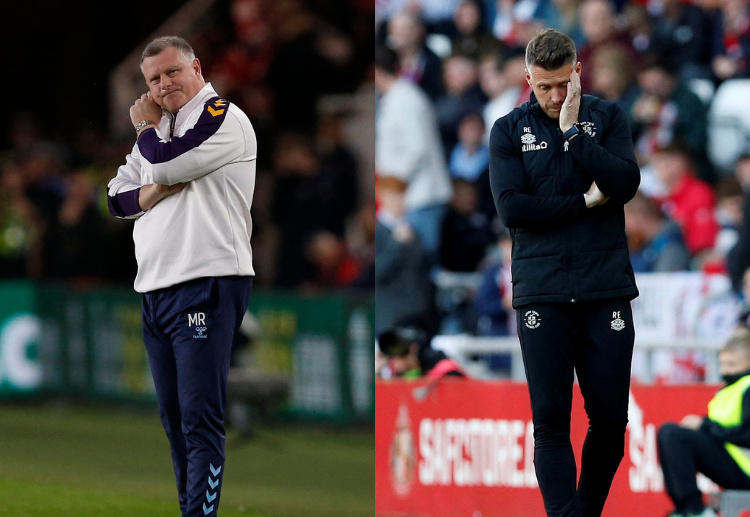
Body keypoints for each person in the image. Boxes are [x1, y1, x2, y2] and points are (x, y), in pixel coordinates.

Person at [489, 28, 640, 516]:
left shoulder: (607, 117)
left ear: (578, 72)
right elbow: (513, 209)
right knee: (551, 423)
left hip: (605, 287)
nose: (555, 97)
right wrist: (583, 201)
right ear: (527, 78)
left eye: (563, 85)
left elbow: (625, 183)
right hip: (543, 292)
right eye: (544, 87)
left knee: (611, 420)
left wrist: (575, 133)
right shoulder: (508, 131)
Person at [106, 36, 256, 517]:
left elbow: (170, 162)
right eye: (154, 79)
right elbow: (116, 197)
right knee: (175, 421)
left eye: (172, 72)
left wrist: (147, 131)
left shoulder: (221, 117)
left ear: (196, 66)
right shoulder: (161, 129)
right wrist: (151, 194)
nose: (164, 84)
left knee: (199, 419)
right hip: (155, 285)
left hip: (207, 278)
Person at [657, 328, 750, 517]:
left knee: (674, 435)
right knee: (669, 433)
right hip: (734, 462)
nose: (725, 371)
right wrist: (704, 424)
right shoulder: (732, 388)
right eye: (722, 364)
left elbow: (746, 434)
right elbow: (724, 424)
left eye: (732, 364)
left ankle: (695, 510)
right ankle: (686, 509)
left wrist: (704, 426)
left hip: (744, 469)